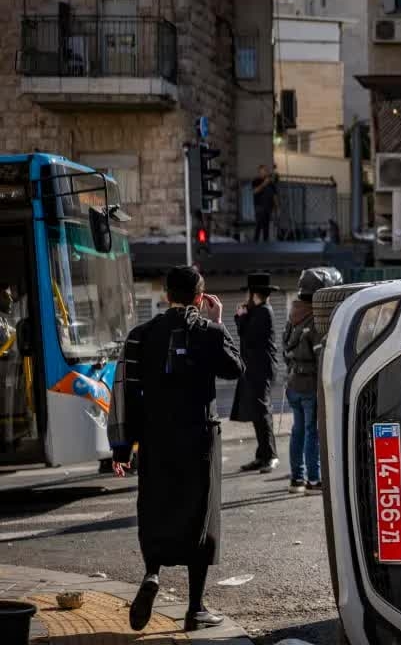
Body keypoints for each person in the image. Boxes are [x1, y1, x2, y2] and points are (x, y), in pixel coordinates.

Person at [108, 266, 244, 632]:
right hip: (199, 439)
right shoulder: (208, 332)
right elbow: (236, 368)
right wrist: (219, 324)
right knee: (200, 518)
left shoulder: (140, 336)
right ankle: (195, 608)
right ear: (200, 298)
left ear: (167, 295)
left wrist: (122, 448)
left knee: (156, 508)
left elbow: (126, 392)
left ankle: (152, 573)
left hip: (155, 440)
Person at [283, 269, 335, 494]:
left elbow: (285, 351)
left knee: (298, 430)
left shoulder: (292, 315)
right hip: (310, 386)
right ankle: (313, 480)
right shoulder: (315, 319)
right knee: (312, 432)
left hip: (293, 383)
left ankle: (296, 479)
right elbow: (321, 359)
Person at [231, 272, 280, 473]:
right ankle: (262, 456)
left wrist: (240, 317)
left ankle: (270, 456)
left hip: (261, 369)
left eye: (248, 294)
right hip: (253, 369)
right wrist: (241, 316)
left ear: (254, 294)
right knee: (257, 412)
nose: (246, 298)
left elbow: (248, 336)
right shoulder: (257, 311)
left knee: (262, 412)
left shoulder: (264, 312)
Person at [251, 164, 278, 243]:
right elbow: (254, 191)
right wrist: (263, 184)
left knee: (266, 227)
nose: (264, 172)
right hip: (259, 207)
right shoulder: (256, 181)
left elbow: (274, 196)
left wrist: (277, 207)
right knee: (258, 226)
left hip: (268, 207)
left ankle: (266, 244)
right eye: (262, 170)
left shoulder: (271, 183)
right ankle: (255, 243)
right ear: (259, 172)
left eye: (265, 170)